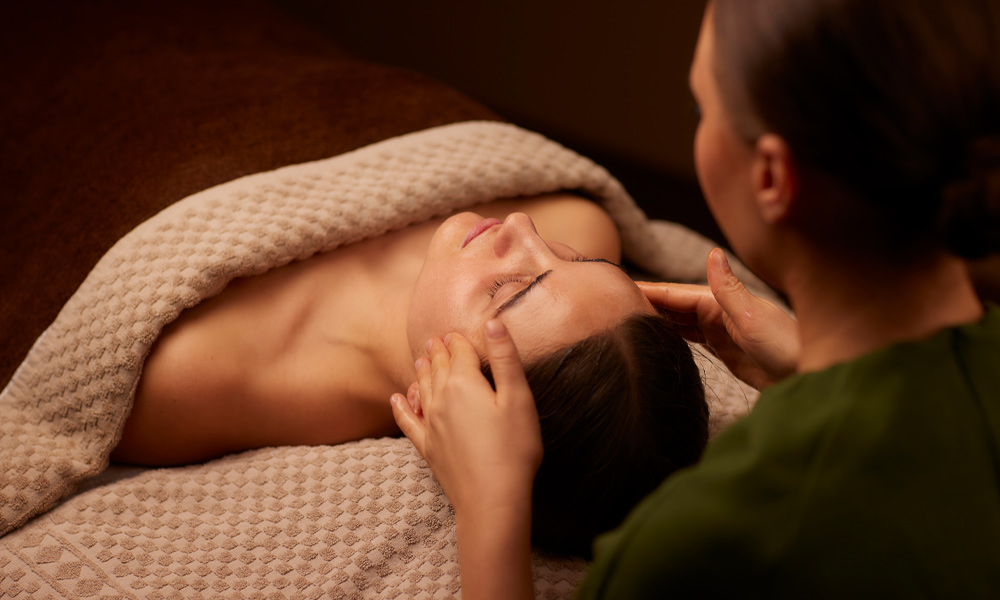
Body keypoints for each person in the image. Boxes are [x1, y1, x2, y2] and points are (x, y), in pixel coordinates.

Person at [391, 0, 1000, 597]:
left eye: (700, 107)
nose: (521, 225)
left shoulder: (699, 544)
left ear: (771, 179)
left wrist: (490, 509)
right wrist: (811, 369)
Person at [110, 191, 710, 557]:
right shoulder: (582, 220)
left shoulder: (186, 381)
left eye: (509, 289)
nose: (523, 227)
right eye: (585, 264)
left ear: (445, 405)